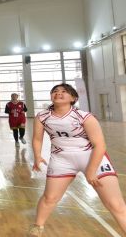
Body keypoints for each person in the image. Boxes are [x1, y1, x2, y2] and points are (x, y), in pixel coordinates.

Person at [27, 83, 126, 236]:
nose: (58, 93)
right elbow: (37, 139)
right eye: (55, 91)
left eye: (64, 91)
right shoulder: (42, 116)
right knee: (50, 197)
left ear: (73, 98)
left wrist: (91, 171)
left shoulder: (85, 116)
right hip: (61, 159)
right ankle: (37, 228)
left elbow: (100, 145)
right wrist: (37, 156)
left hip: (91, 157)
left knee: (115, 204)